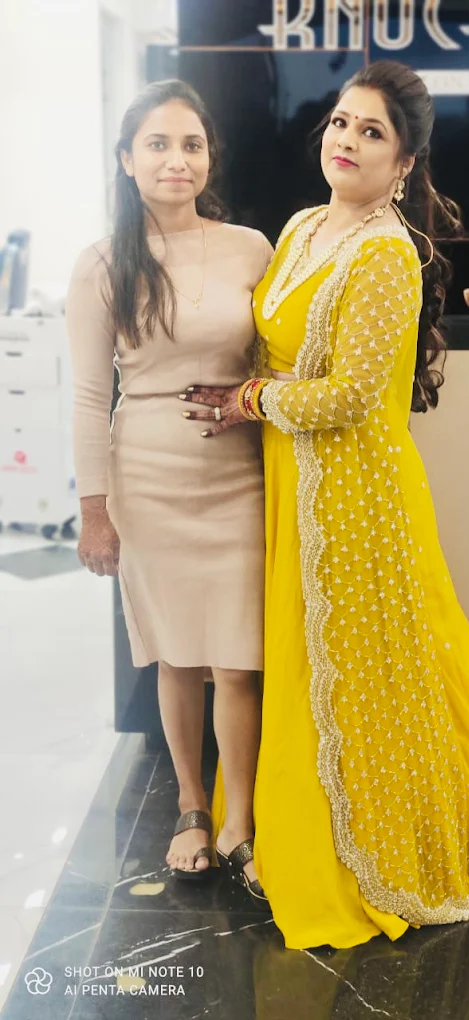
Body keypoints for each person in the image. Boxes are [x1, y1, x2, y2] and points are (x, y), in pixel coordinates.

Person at [181, 60, 469, 949]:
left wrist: (248, 401)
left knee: (360, 680)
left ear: (405, 162)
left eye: (371, 131)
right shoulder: (304, 225)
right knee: (303, 665)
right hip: (293, 484)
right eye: (341, 122)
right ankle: (290, 825)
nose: (346, 140)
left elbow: (348, 397)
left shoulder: (386, 254)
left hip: (355, 498)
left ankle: (363, 854)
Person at [66, 80, 273, 895]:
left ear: (209, 157)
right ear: (127, 159)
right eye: (157, 144)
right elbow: (89, 396)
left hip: (239, 472)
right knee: (178, 656)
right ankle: (192, 804)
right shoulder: (102, 264)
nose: (175, 160)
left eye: (191, 144)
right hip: (147, 476)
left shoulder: (251, 248)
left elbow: (280, 361)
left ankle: (239, 819)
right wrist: (94, 512)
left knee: (240, 659)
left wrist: (253, 401)